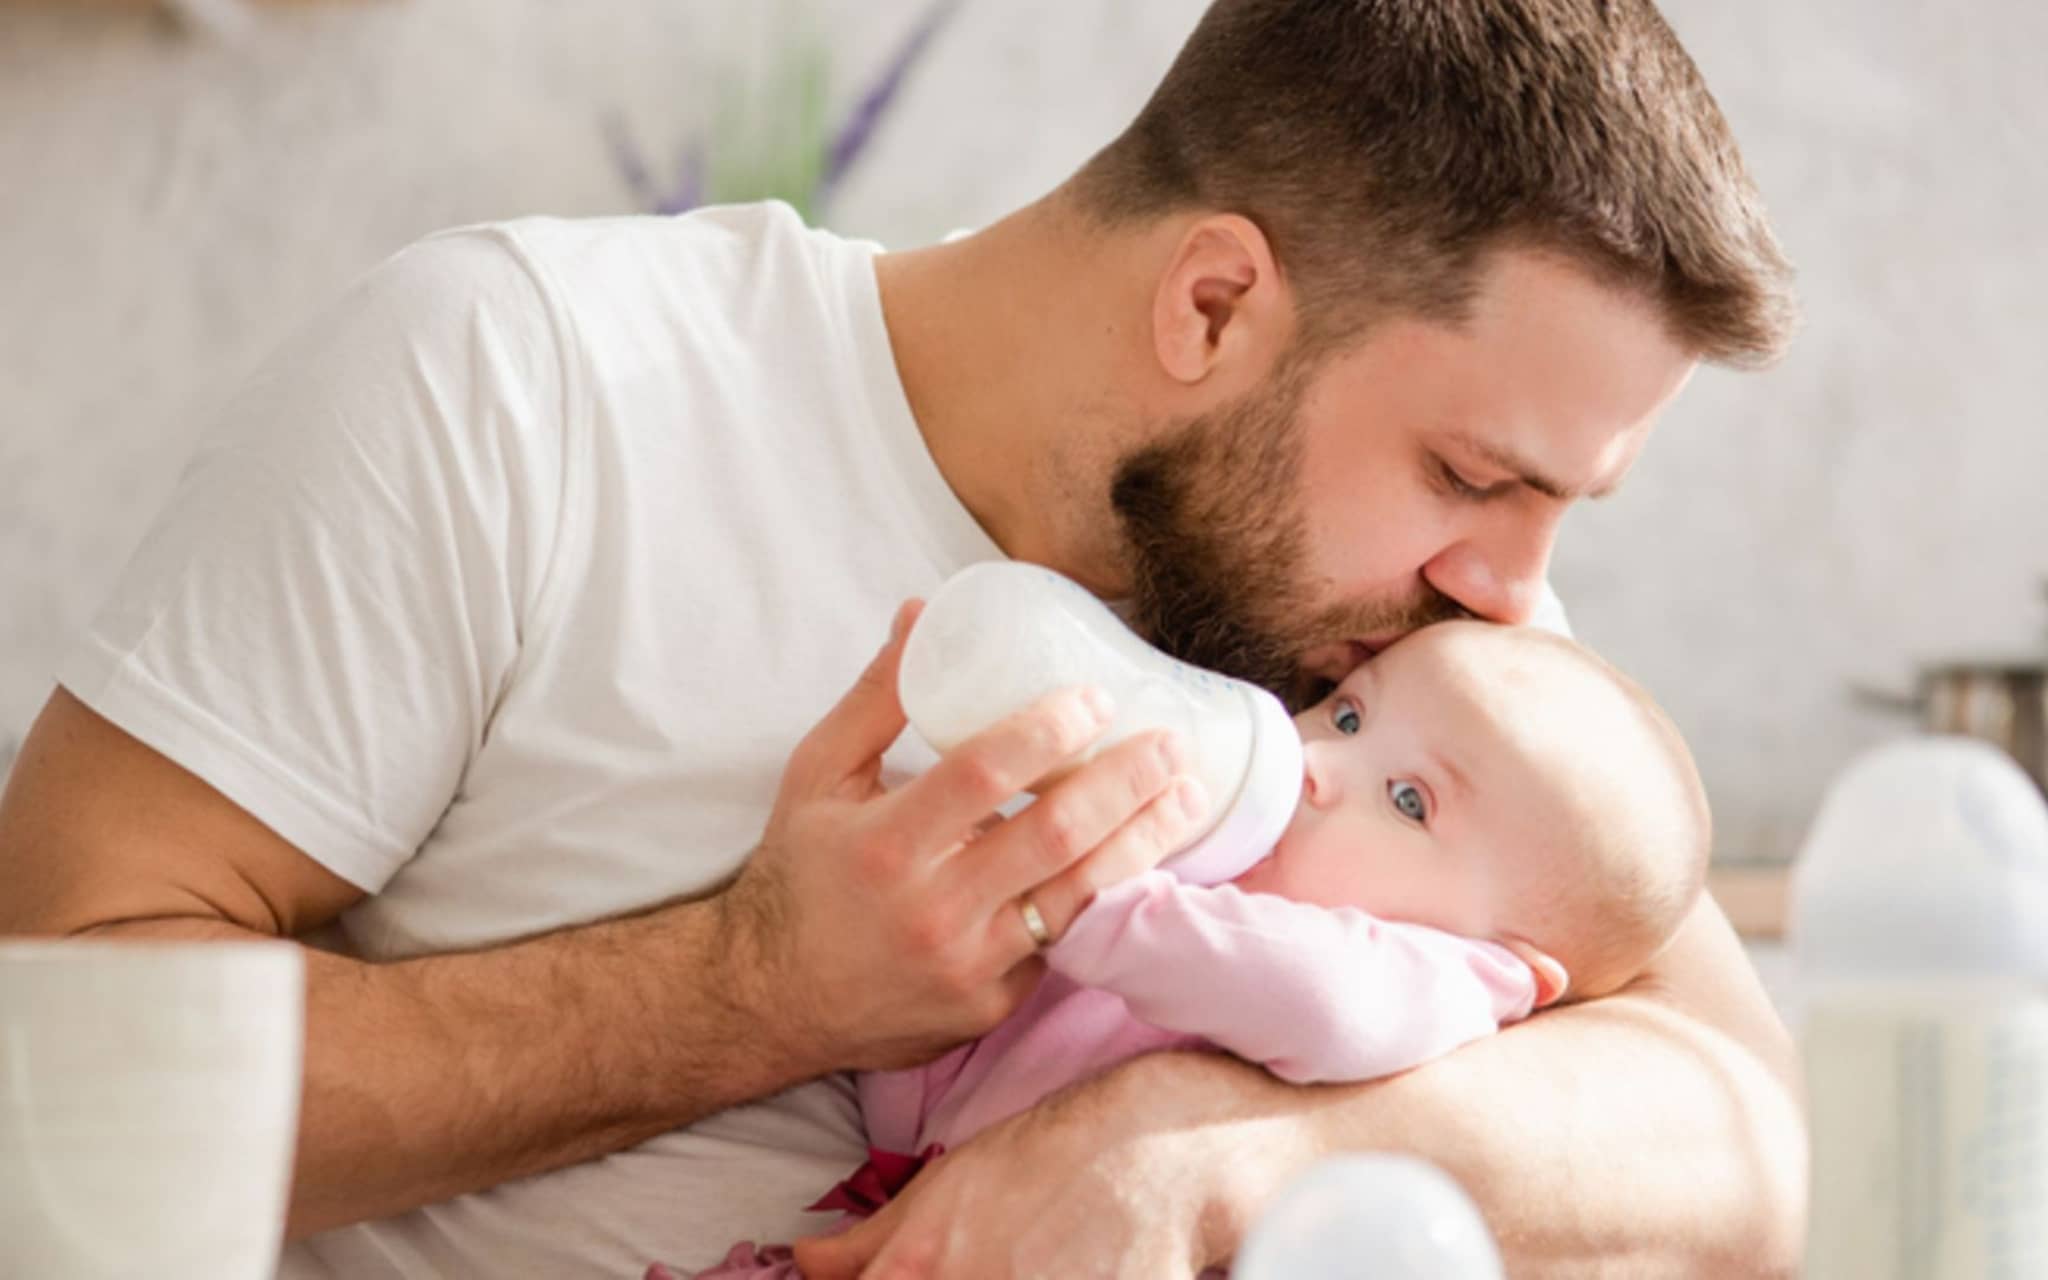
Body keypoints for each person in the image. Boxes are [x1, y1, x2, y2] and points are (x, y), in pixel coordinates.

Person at [0, 0, 1806, 1275]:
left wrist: (1190, 1157)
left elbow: (1738, 1134)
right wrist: (743, 991)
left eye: (1559, 507)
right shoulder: (520, 387)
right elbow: (45, 1055)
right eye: (1471, 474)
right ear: (1210, 302)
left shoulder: (1400, 635)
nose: (1511, 589)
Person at [669, 619, 1712, 1279]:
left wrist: (1092, 896)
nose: (1315, 765)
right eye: (1347, 713)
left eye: (1408, 800)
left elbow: (1318, 999)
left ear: (1514, 967)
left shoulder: (1433, 981)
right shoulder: (1201, 893)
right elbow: (924, 1084)